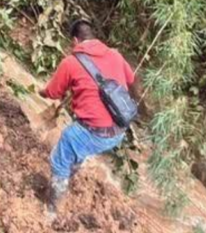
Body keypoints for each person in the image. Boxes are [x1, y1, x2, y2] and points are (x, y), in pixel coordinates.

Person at [38, 19, 142, 217]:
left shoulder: (71, 62)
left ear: (75, 41)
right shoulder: (115, 55)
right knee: (78, 146)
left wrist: (41, 91)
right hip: (119, 131)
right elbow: (130, 80)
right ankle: (71, 170)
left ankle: (51, 212)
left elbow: (52, 92)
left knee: (64, 150)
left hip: (95, 133)